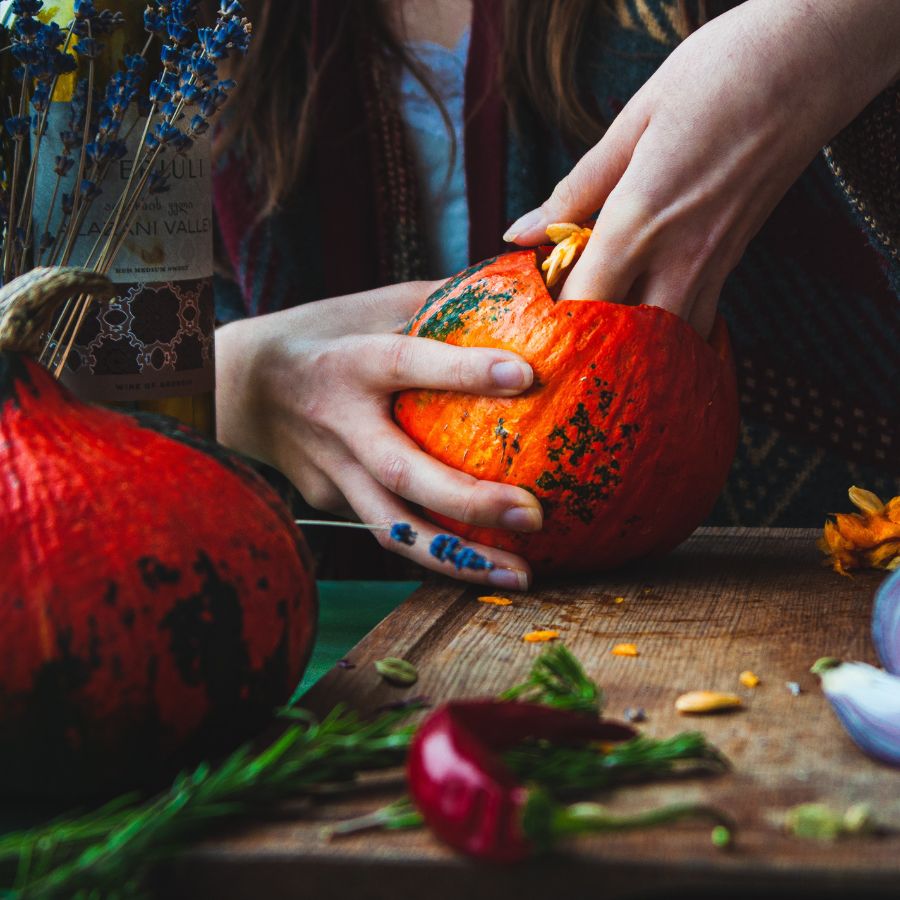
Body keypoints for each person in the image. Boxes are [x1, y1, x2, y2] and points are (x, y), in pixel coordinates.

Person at [212, 0, 900, 587]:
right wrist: (235, 380)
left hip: (782, 592)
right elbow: (109, 358)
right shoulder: (178, 33)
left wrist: (837, 29)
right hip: (334, 625)